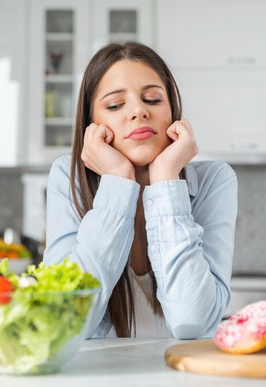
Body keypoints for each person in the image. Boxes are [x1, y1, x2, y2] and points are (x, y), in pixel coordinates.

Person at [44, 42, 238, 339]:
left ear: (172, 112)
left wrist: (166, 180)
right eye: (115, 105)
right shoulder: (66, 177)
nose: (138, 111)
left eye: (152, 99)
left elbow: (193, 320)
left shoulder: (216, 180)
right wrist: (119, 182)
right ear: (92, 124)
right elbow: (63, 321)